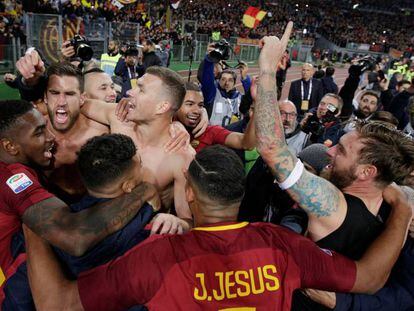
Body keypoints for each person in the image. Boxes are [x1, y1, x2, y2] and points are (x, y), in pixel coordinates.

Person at [24, 145, 411, 311]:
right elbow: (370, 278)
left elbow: (58, 304)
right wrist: (403, 213)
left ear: (189, 193)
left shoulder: (156, 255)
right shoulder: (281, 245)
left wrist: (35, 222)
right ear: (240, 192)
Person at [254, 23, 414, 311]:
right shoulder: (394, 210)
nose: (329, 152)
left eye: (341, 151)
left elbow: (272, 149)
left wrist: (267, 69)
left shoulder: (333, 204)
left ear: (367, 172)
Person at [0, 100, 157, 308]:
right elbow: (74, 237)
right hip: (17, 293)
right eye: (39, 133)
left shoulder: (18, 165)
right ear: (10, 146)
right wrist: (144, 192)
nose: (51, 137)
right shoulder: (13, 177)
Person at [82, 66, 194, 222]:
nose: (129, 92)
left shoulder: (181, 157)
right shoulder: (119, 117)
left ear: (162, 106)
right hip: (96, 222)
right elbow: (78, 103)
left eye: (141, 90)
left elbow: (188, 220)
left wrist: (175, 223)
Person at [176, 82, 255, 153]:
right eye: (189, 104)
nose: (196, 111)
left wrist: (257, 105)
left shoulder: (211, 132)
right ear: (176, 105)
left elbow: (246, 144)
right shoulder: (166, 125)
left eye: (200, 105)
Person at [201, 44, 251, 126]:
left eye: (230, 80)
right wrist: (209, 59)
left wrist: (245, 77)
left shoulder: (240, 97)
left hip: (234, 136)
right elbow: (207, 80)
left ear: (235, 83)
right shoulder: (213, 95)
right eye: (223, 79)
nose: (226, 83)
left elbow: (252, 98)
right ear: (218, 81)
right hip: (215, 135)